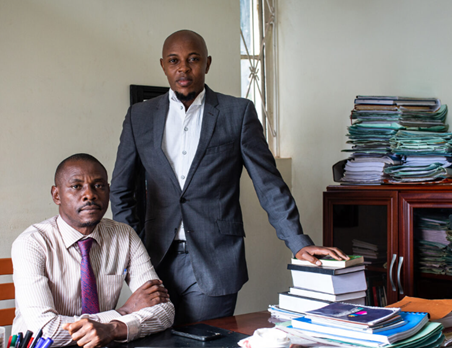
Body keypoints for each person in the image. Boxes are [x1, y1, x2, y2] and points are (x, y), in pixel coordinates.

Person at [110, 30, 346, 324]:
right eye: (174, 61)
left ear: (207, 63)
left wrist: (298, 242)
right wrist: (133, 253)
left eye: (193, 59)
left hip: (215, 260)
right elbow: (121, 191)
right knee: (154, 346)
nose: (183, 68)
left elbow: (269, 184)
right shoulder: (139, 116)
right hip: (154, 262)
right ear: (163, 66)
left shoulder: (237, 113)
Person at [11, 153, 174, 348]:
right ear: (56, 195)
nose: (90, 194)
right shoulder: (32, 243)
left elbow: (165, 311)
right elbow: (44, 330)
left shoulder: (124, 236)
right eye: (76, 186)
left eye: (99, 185)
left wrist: (113, 329)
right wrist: (122, 313)